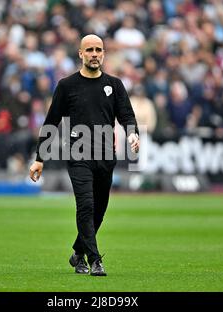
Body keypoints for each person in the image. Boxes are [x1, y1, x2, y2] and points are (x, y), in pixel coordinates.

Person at [29, 34, 140, 276]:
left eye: (98, 50)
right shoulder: (67, 86)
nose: (94, 54)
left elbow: (127, 116)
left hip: (105, 156)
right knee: (86, 206)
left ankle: (78, 253)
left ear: (103, 53)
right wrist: (40, 158)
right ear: (80, 54)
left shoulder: (115, 85)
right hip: (78, 155)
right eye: (89, 50)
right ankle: (95, 260)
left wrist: (132, 134)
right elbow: (51, 123)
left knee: (99, 210)